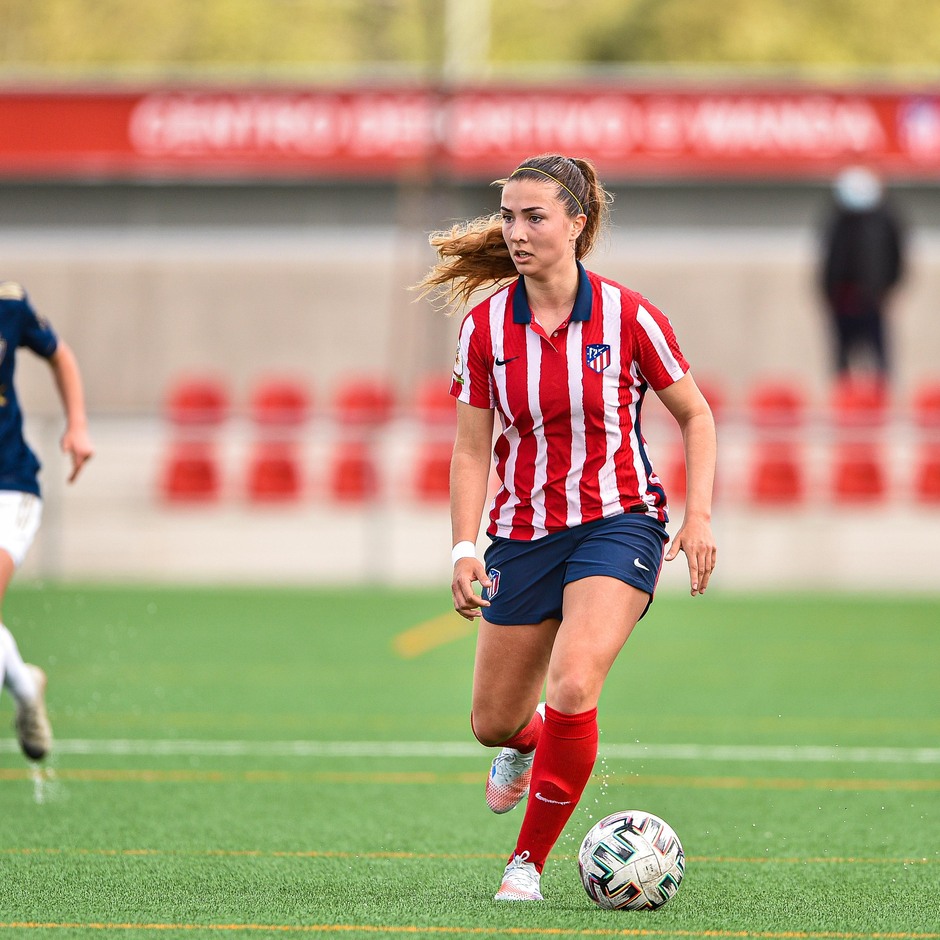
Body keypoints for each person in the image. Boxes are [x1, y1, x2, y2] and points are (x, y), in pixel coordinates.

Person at [414, 154, 717, 901]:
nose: (516, 232)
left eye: (535, 217)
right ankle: (523, 747)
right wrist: (462, 546)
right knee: (492, 722)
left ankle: (526, 866)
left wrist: (699, 513)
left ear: (576, 224)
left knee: (575, 684)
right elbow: (468, 448)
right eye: (508, 217)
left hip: (621, 524)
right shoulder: (484, 327)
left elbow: (696, 415)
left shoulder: (629, 316)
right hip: (521, 537)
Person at [0, 278, 94, 761]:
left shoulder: (8, 304)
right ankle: (24, 684)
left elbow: (60, 355)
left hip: (10, 483)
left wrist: (76, 424)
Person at [820, 166, 905, 382]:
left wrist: (883, 291)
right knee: (842, 365)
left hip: (871, 303)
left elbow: (897, 260)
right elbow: (829, 260)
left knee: (879, 365)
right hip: (841, 303)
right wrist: (828, 293)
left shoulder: (885, 219)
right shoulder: (836, 219)